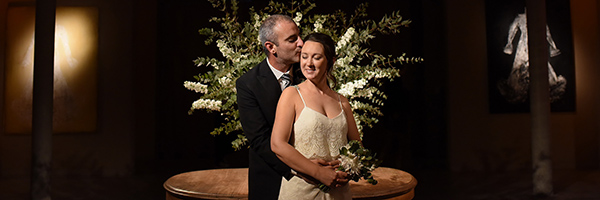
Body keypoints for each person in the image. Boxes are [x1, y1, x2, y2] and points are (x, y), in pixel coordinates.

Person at [237, 14, 335, 200]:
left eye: (299, 36)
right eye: (292, 39)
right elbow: (259, 140)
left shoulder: (310, 72)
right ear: (271, 47)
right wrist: (304, 169)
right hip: (272, 179)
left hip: (318, 184)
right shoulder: (248, 84)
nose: (301, 43)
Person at [271, 33, 362, 200]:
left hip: (339, 192)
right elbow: (277, 144)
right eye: (304, 57)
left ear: (331, 61)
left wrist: (348, 168)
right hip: (302, 191)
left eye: (317, 57)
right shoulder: (291, 95)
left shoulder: (342, 101)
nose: (309, 63)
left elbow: (357, 146)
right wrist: (319, 173)